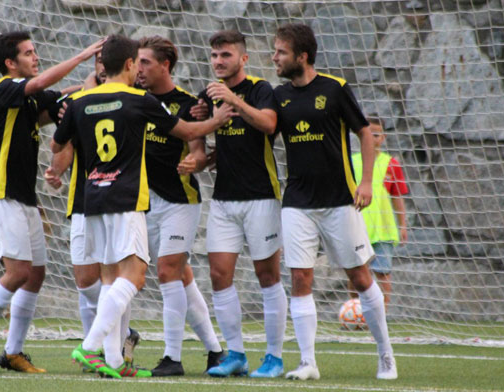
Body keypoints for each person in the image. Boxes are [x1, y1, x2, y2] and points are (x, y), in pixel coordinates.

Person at [51, 34, 233, 379]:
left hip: (92, 198)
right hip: (126, 198)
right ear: (131, 64)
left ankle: (115, 363)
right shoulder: (139, 100)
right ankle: (89, 348)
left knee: (109, 277)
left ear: (103, 65)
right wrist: (217, 120)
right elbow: (186, 130)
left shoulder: (80, 102)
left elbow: (57, 144)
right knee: (134, 276)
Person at [0, 30, 103, 373]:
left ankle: (13, 352)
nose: (35, 57)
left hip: (25, 199)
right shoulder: (3, 88)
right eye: (28, 53)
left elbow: (65, 97)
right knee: (18, 272)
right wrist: (82, 56)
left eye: (35, 52)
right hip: (0, 195)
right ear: (11, 63)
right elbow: (41, 85)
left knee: (35, 275)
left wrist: (95, 82)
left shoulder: (30, 100)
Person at [269, 23, 397, 380]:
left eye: (280, 51)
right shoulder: (280, 96)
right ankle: (308, 362)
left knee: (359, 276)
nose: (274, 57)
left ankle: (386, 354)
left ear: (302, 56)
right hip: (296, 202)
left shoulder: (335, 88)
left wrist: (367, 182)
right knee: (299, 278)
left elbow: (365, 134)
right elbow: (263, 130)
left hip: (340, 200)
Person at [190, 30, 287, 378]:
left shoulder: (262, 90)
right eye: (214, 56)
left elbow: (269, 124)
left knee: (267, 275)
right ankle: (236, 355)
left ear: (243, 59)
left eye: (226, 55)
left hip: (262, 196)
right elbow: (199, 141)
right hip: (224, 200)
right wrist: (197, 152)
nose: (218, 62)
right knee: (218, 275)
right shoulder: (208, 95)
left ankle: (274, 357)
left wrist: (233, 100)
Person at [44, 52, 143, 366]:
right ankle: (109, 340)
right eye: (97, 60)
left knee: (116, 277)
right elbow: (62, 148)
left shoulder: (129, 101)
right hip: (83, 202)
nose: (102, 65)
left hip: (116, 200)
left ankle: (106, 352)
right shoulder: (78, 102)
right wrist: (56, 172)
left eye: (105, 59)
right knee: (88, 283)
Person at [135, 35, 224, 377]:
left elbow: (198, 149)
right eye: (137, 62)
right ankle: (215, 352)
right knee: (182, 277)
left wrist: (195, 163)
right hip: (143, 202)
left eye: (145, 62)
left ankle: (172, 357)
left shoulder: (188, 105)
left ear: (165, 65)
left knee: (168, 270)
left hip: (179, 202)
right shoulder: (132, 99)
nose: (139, 69)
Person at [349, 117, 409, 308]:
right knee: (356, 272)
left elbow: (397, 197)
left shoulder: (391, 164)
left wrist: (403, 225)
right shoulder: (352, 162)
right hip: (357, 227)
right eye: (369, 134)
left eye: (376, 135)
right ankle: (355, 311)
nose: (373, 139)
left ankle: (382, 313)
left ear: (383, 138)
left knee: (383, 272)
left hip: (383, 229)